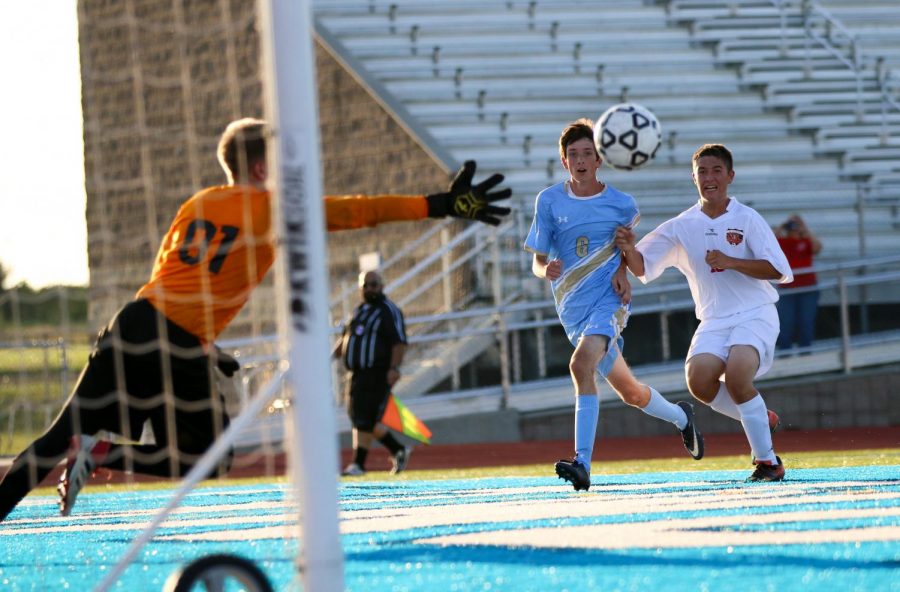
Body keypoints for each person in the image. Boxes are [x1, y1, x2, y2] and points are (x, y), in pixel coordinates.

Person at [0, 117, 511, 522]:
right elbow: (360, 212)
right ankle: (104, 451)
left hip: (134, 324)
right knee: (208, 458)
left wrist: (208, 347)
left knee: (53, 437)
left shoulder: (196, 202)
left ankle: (76, 455)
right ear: (264, 170)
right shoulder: (271, 207)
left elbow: (171, 282)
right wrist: (440, 204)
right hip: (177, 344)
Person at [523, 118, 704, 493]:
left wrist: (623, 266)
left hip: (609, 302)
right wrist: (546, 269)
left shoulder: (622, 203)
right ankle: (681, 418)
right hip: (572, 310)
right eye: (573, 154)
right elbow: (537, 260)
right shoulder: (549, 200)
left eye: (588, 153)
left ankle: (583, 463)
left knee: (579, 365)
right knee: (631, 393)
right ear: (563, 160)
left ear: (600, 158)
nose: (580, 159)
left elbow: (627, 248)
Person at [615, 143, 792, 483]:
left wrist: (731, 261)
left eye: (716, 171)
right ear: (693, 178)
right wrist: (626, 248)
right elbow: (642, 266)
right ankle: (756, 416)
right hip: (713, 319)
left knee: (740, 376)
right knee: (699, 381)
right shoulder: (682, 224)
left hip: (755, 313)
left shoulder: (747, 218)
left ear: (730, 176)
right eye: (702, 172)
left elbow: (778, 269)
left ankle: (767, 462)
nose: (709, 178)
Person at [334, 271, 410, 476]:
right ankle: (397, 449)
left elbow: (399, 342)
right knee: (360, 417)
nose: (369, 289)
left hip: (377, 372)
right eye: (365, 285)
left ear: (382, 286)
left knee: (365, 418)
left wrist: (394, 368)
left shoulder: (388, 310)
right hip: (356, 373)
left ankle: (358, 463)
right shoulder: (359, 311)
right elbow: (346, 338)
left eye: (373, 284)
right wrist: (330, 357)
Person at [775, 214, 822, 351]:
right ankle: (785, 352)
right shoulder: (783, 242)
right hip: (787, 288)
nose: (794, 230)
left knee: (806, 322)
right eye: (792, 227)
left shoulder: (806, 241)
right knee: (785, 323)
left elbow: (817, 248)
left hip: (808, 288)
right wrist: (782, 226)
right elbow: (768, 242)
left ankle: (806, 352)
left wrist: (805, 228)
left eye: (796, 227)